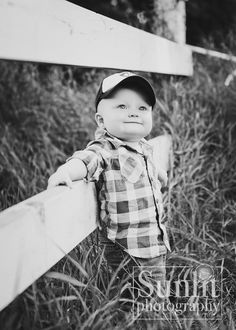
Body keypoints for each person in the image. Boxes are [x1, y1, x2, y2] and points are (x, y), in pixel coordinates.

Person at [47, 71, 171, 308]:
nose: (134, 112)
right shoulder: (105, 149)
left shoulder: (144, 147)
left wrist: (160, 174)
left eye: (143, 108)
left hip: (153, 240)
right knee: (136, 300)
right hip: (126, 246)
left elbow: (150, 168)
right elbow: (85, 160)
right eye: (122, 106)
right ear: (101, 121)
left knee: (154, 294)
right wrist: (67, 171)